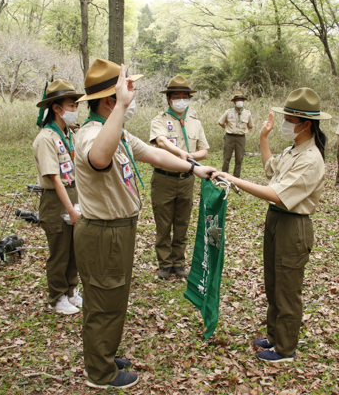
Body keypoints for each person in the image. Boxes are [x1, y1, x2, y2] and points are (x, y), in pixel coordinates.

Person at [73, 59, 215, 389]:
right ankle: (100, 373)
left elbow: (153, 155)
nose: (133, 98)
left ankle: (103, 354)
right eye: (127, 92)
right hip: (102, 232)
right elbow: (98, 158)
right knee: (104, 301)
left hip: (118, 230)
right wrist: (123, 106)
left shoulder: (117, 131)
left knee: (113, 298)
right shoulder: (91, 133)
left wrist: (193, 167)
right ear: (110, 100)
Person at [213, 88, 329, 363]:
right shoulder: (294, 150)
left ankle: (285, 348)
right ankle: (275, 335)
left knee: (288, 288)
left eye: (290, 119)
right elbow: (271, 170)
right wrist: (263, 137)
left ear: (306, 124)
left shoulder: (311, 158)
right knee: (274, 282)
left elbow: (277, 194)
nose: (286, 124)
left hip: (293, 225)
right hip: (277, 220)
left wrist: (234, 179)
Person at [149, 75, 210, 280]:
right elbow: (161, 140)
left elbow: (204, 151)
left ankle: (179, 262)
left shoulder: (195, 122)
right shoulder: (159, 120)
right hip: (164, 179)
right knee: (164, 223)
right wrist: (179, 153)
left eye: (185, 96)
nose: (181, 100)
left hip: (187, 179)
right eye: (176, 96)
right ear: (168, 99)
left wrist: (191, 156)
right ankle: (165, 265)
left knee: (182, 222)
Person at [32, 79, 83, 315]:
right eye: (71, 106)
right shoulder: (46, 139)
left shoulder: (68, 134)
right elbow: (54, 179)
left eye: (75, 106)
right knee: (60, 251)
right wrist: (70, 210)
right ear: (56, 108)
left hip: (72, 193)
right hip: (56, 200)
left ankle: (71, 291)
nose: (75, 110)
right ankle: (56, 297)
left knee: (74, 248)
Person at [218, 92, 253, 178]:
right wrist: (228, 128)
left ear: (244, 101)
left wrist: (242, 130)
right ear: (234, 102)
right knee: (226, 158)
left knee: (239, 158)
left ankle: (236, 178)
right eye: (237, 100)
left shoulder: (247, 113)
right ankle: (224, 177)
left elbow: (250, 126)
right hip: (229, 136)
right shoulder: (229, 112)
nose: (239, 102)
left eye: (241, 100)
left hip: (241, 138)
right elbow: (220, 122)